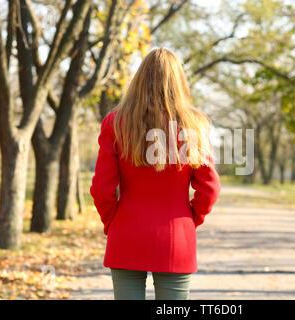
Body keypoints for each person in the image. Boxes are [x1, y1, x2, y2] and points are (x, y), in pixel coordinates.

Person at [90, 47, 221, 300]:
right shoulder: (195, 125)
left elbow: (101, 189)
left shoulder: (115, 123)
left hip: (126, 234)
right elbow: (210, 189)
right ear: (179, 82)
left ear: (139, 79)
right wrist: (192, 219)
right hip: (176, 238)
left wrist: (112, 222)